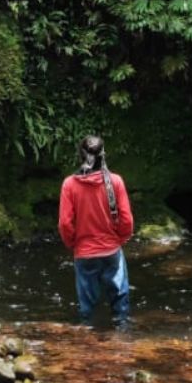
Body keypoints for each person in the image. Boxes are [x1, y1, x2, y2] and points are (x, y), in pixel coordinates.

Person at [58, 135, 134, 326]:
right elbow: (126, 219)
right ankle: (123, 344)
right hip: (111, 251)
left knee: (87, 310)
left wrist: (73, 244)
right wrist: (120, 240)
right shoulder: (115, 181)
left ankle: (87, 343)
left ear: (80, 155)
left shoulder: (69, 185)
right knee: (120, 308)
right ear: (103, 156)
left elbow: (65, 224)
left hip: (84, 253)